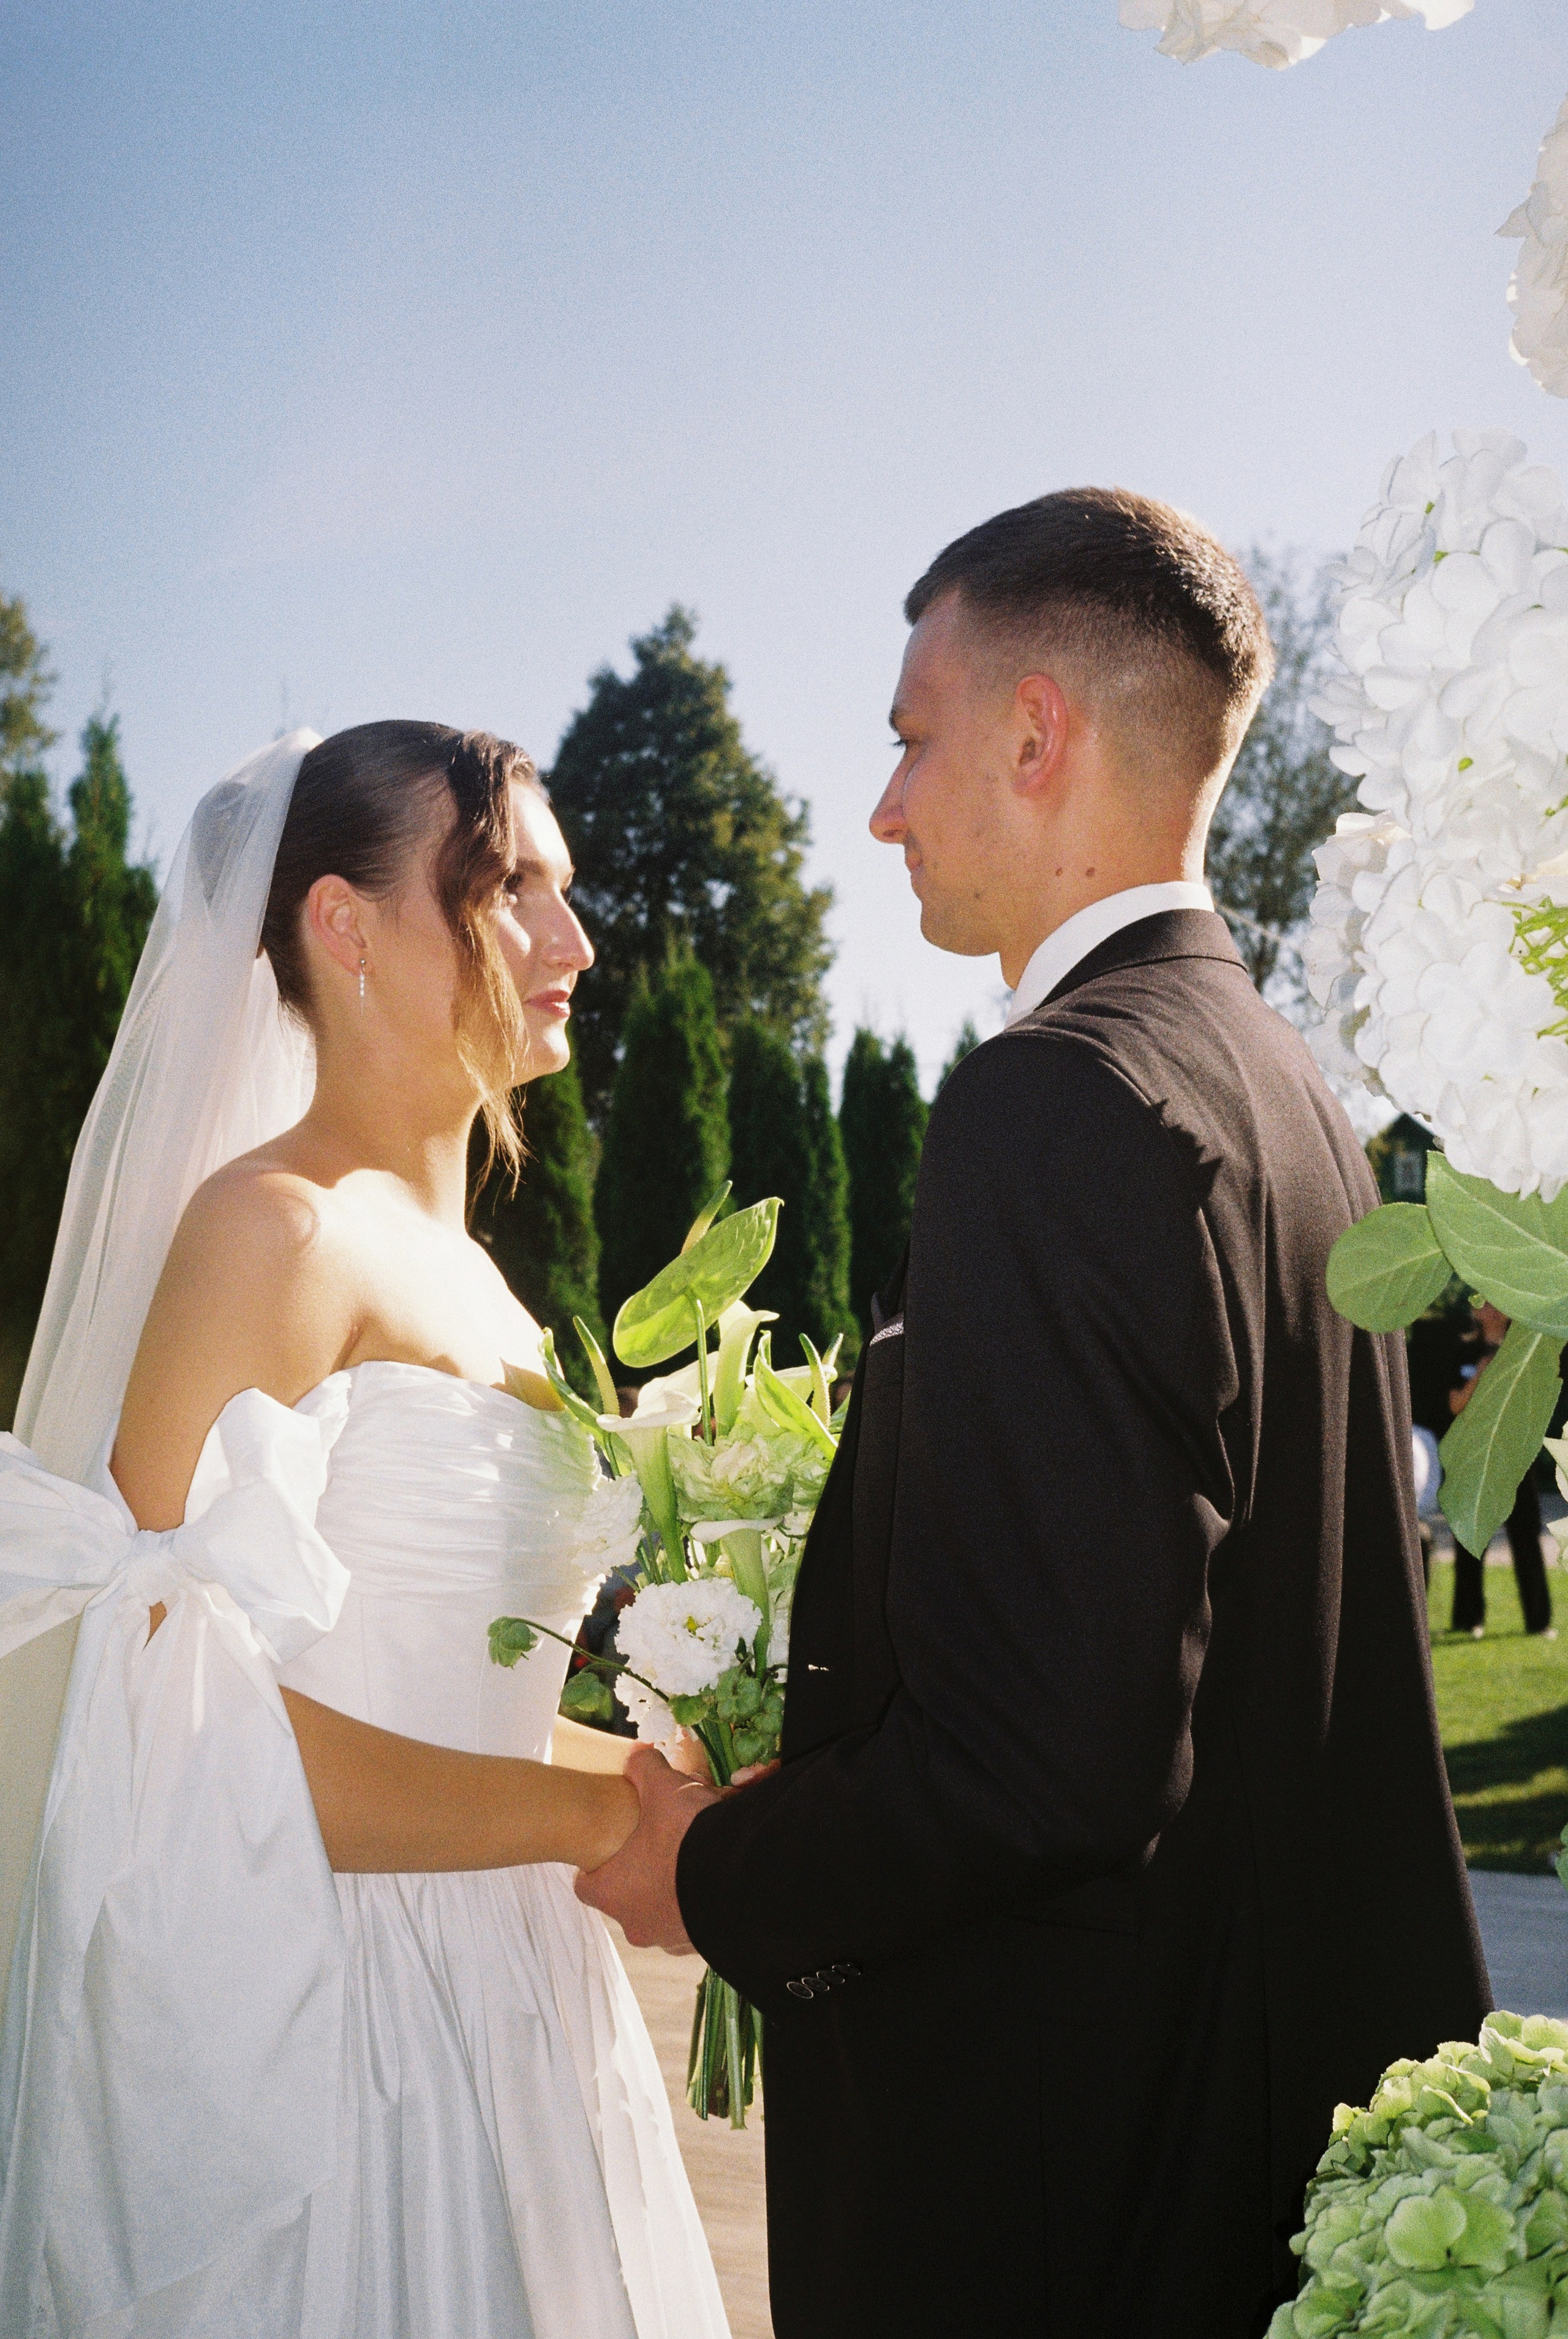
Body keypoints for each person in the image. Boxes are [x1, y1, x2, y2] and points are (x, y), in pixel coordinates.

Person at [578, 489, 1490, 2336]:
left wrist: (711, 1864)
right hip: (1241, 2156)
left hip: (1065, 2195)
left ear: (1035, 733)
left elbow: (1048, 1761)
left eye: (911, 740)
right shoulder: (1278, 1096)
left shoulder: (1055, 1103)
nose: (882, 805)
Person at [0, 723, 729, 2337]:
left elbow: (444, 1687)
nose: (574, 940)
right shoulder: (273, 1232)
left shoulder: (481, 1278)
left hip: (523, 1990)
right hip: (345, 2025)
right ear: (341, 925)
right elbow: (194, 1732)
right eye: (511, 888)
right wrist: (604, 1826)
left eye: (566, 891)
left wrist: (678, 1781)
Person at [1447, 1301, 1556, 1638]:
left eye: (1499, 1304)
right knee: (1469, 1537)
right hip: (1473, 1455)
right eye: (1486, 1304)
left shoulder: (1523, 1350)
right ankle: (1469, 1620)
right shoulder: (1462, 1351)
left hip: (1512, 1456)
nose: (1493, 1311)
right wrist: (1484, 1366)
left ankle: (1538, 1623)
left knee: (1526, 1536)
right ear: (1476, 1311)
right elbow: (1455, 1405)